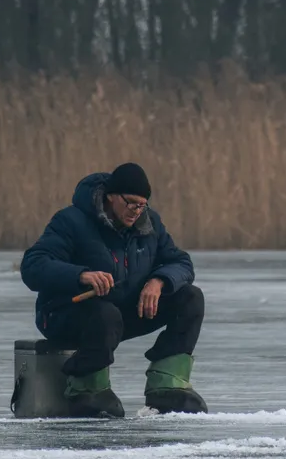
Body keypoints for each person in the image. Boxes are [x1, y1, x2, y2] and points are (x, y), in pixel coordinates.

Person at [20, 163, 206, 418]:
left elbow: (181, 262)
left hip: (119, 314)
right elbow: (33, 266)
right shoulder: (71, 220)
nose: (136, 211)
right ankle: (87, 388)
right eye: (130, 203)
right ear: (110, 196)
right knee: (105, 314)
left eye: (142, 205)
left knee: (190, 297)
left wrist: (159, 281)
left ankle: (166, 384)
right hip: (65, 315)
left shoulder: (149, 223)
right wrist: (81, 275)